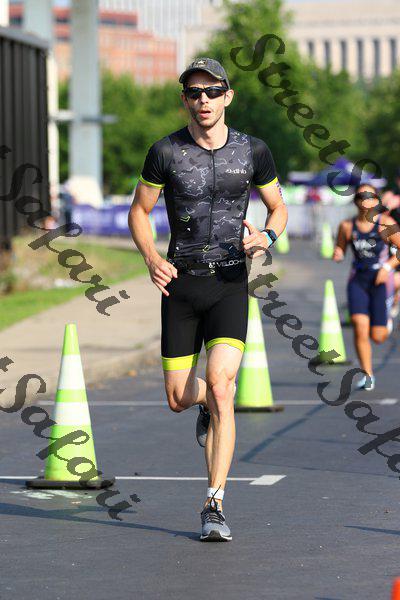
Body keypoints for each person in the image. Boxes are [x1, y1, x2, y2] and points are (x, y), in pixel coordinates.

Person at [128, 57, 287, 542]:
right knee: (179, 398)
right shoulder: (165, 151)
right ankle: (202, 406)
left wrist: (267, 237)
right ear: (185, 99)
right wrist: (151, 257)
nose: (204, 100)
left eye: (213, 91)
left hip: (229, 283)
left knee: (222, 386)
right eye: (195, 92)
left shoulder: (253, 151)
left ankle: (214, 503)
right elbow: (139, 210)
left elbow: (277, 207)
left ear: (227, 97)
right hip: (180, 285)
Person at [333, 183, 400, 390]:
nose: (366, 200)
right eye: (362, 196)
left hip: (380, 281)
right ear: (356, 201)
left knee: (378, 337)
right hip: (358, 281)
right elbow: (340, 247)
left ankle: (386, 320)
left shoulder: (386, 223)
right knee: (359, 326)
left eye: (371, 196)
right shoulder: (347, 226)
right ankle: (367, 374)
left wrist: (387, 267)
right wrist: (338, 253)